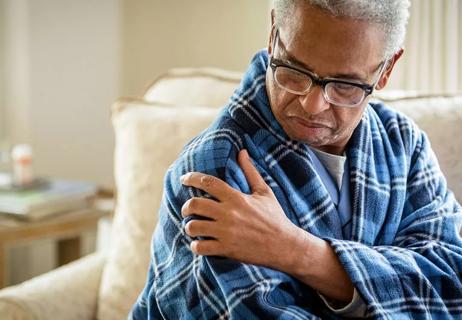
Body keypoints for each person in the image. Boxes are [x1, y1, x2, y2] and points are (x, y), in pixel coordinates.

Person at [130, 0, 462, 318]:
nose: (312, 105)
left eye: (344, 85)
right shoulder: (215, 170)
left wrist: (298, 251)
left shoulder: (402, 142)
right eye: (295, 71)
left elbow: (452, 285)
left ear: (387, 68)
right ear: (274, 34)